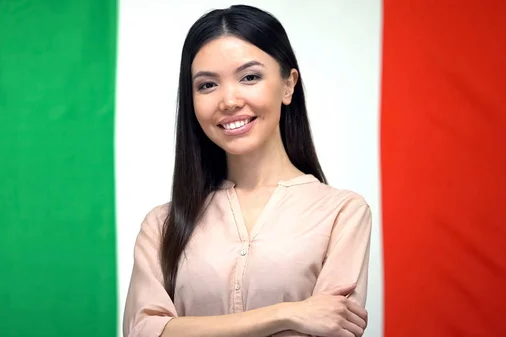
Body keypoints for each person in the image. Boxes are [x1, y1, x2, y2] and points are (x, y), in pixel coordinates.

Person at [123, 4, 372, 337]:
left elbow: (333, 328)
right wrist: (286, 314)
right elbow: (143, 330)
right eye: (207, 85)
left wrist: (179, 328)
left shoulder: (343, 213)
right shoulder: (162, 225)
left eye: (250, 77)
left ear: (288, 85)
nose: (228, 100)